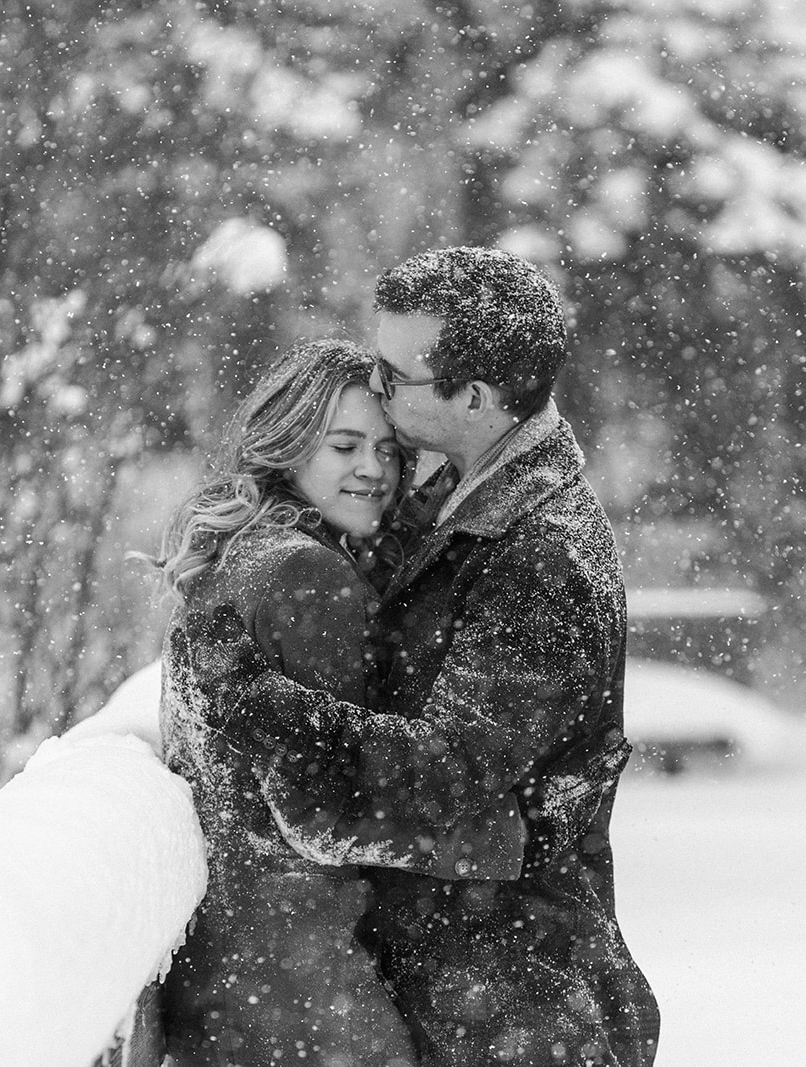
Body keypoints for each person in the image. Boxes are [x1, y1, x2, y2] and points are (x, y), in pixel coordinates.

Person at [188, 248, 661, 1065]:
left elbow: (444, 771)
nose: (377, 384)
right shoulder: (462, 502)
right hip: (461, 981)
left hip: (514, 1001)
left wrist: (254, 698)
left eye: (392, 371)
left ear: (471, 397)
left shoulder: (538, 557)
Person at [152, 339, 527, 1067]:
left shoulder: (248, 554)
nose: (372, 470)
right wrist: (500, 829)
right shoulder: (308, 577)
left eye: (389, 451)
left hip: (233, 976)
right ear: (287, 446)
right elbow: (327, 804)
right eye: (345, 445)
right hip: (306, 989)